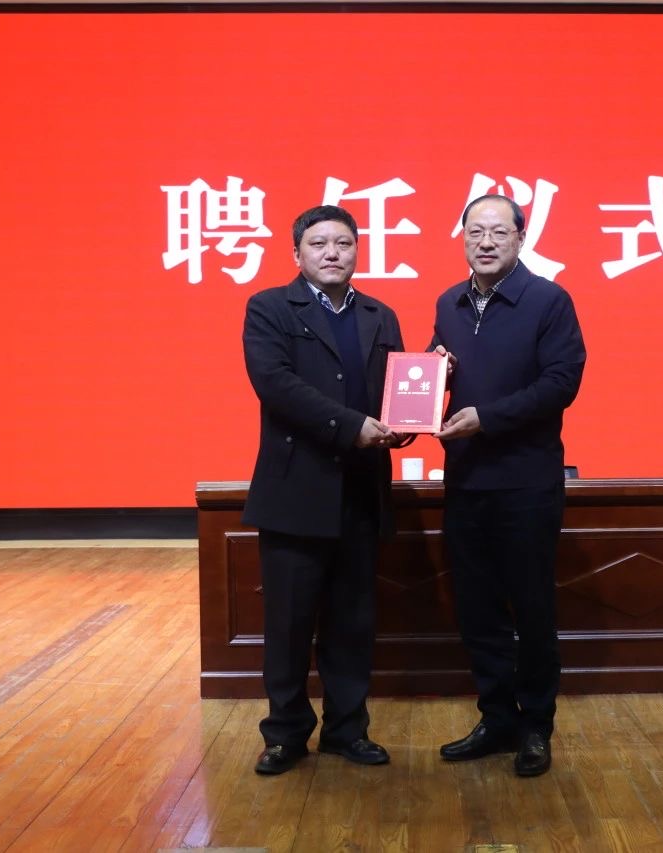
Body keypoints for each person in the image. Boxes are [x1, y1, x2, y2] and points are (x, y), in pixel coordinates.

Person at [242, 205, 405, 775]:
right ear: (297, 253)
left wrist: (411, 415)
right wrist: (351, 425)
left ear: (358, 251)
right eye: (319, 243)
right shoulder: (269, 307)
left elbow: (394, 394)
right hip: (296, 489)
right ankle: (285, 734)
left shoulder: (380, 314)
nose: (332, 252)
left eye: (344, 243)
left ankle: (347, 730)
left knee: (352, 622)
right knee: (288, 623)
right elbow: (275, 384)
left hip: (360, 490)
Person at [431, 194, 586, 777]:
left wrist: (487, 418)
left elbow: (561, 383)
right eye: (475, 232)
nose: (486, 242)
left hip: (526, 483)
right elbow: (436, 374)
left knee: (532, 607)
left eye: (499, 232)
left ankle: (536, 726)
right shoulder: (449, 302)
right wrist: (433, 374)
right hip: (466, 479)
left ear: (521, 238)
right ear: (463, 239)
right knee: (477, 609)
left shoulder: (548, 300)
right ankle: (496, 719)